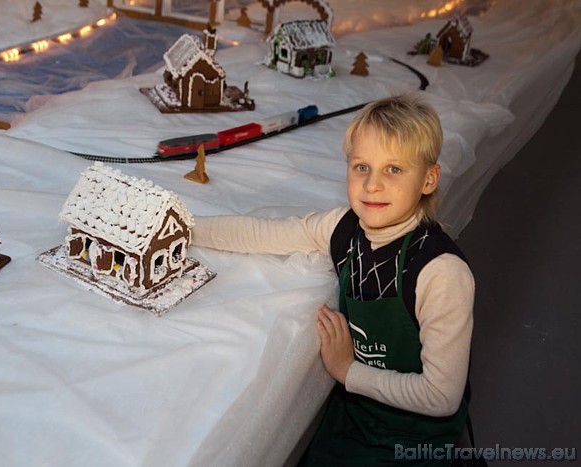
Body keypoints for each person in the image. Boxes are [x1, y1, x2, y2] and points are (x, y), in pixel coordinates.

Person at [192, 94, 475, 466]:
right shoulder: (344, 229)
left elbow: (441, 396)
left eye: (394, 169)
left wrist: (346, 371)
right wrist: (186, 228)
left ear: (428, 178)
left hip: (414, 436)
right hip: (355, 414)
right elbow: (264, 233)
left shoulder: (441, 273)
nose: (372, 185)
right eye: (361, 167)